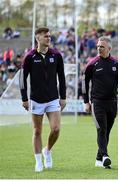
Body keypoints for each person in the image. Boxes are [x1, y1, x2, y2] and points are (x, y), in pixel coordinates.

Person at [19, 27, 66, 172]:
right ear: (37, 38)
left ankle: (47, 150)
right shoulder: (30, 56)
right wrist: (24, 98)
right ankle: (38, 161)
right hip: (36, 100)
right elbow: (22, 79)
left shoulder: (56, 55)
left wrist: (63, 97)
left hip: (53, 98)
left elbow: (62, 77)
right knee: (37, 131)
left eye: (49, 36)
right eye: (45, 36)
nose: (48, 38)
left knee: (56, 129)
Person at [83, 36, 118, 169]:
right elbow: (84, 84)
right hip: (97, 102)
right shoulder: (92, 64)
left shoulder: (117, 64)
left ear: (109, 48)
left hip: (112, 102)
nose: (99, 48)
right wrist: (86, 102)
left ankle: (99, 158)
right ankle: (105, 157)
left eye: (102, 47)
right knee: (101, 129)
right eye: (98, 46)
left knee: (107, 131)